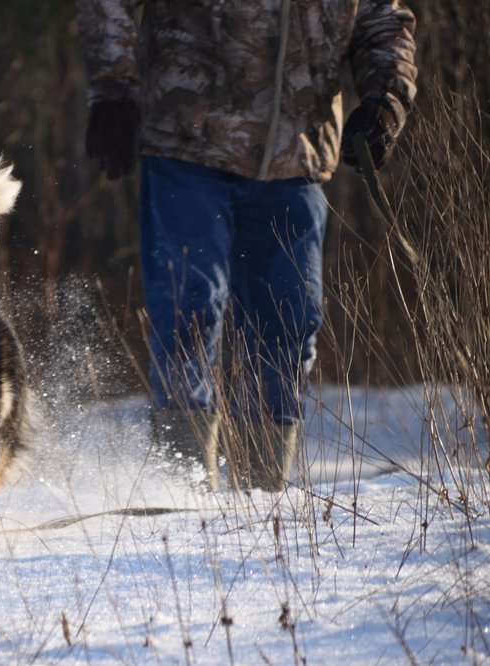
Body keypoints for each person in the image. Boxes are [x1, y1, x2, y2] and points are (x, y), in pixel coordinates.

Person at [76, 1, 417, 491]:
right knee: (188, 309)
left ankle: (262, 491)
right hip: (187, 143)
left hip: (295, 156)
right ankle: (179, 488)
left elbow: (384, 21)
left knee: (289, 320)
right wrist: (113, 89)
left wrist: (384, 101)